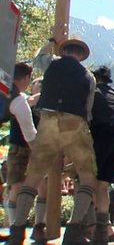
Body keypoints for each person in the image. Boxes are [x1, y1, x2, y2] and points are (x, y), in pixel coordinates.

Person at [9, 39, 98, 245]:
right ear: (82, 56)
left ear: (64, 51)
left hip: (48, 120)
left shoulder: (51, 63)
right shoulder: (88, 76)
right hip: (75, 123)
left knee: (33, 177)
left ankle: (17, 230)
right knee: (87, 177)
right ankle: (74, 232)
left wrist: (51, 42)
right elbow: (88, 110)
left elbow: (37, 58)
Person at [88, 66, 114, 245]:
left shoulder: (93, 91)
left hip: (102, 131)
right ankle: (104, 231)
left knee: (89, 181)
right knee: (103, 185)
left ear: (95, 78)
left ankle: (93, 228)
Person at [5, 63, 35, 242]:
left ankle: (14, 228)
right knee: (17, 186)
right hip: (21, 148)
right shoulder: (18, 101)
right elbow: (30, 135)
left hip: (16, 147)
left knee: (15, 187)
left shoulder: (7, 92)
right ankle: (16, 228)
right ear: (25, 79)